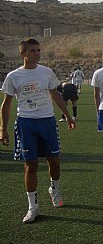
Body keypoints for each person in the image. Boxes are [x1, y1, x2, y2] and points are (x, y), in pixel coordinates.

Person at [1, 38, 76, 223]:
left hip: (47, 122)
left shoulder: (46, 72)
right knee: (31, 165)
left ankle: (54, 189)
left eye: (38, 50)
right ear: (23, 53)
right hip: (26, 123)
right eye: (33, 50)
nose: (37, 53)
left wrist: (67, 115)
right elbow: (7, 104)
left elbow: (55, 94)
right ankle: (33, 207)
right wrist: (3, 129)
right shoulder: (13, 76)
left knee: (55, 162)